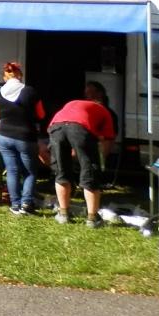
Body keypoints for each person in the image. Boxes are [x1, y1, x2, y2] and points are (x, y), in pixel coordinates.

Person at [46, 87, 116, 227]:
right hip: (79, 128)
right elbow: (108, 140)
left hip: (55, 127)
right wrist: (101, 161)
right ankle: (92, 218)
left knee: (62, 171)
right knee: (89, 172)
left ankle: (63, 214)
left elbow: (67, 127)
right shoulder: (104, 111)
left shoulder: (73, 103)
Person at [0, 61, 46, 215]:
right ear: (20, 75)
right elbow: (41, 114)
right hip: (25, 136)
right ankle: (26, 203)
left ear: (5, 77)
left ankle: (15, 205)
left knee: (12, 171)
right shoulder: (30, 91)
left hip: (4, 135)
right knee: (29, 171)